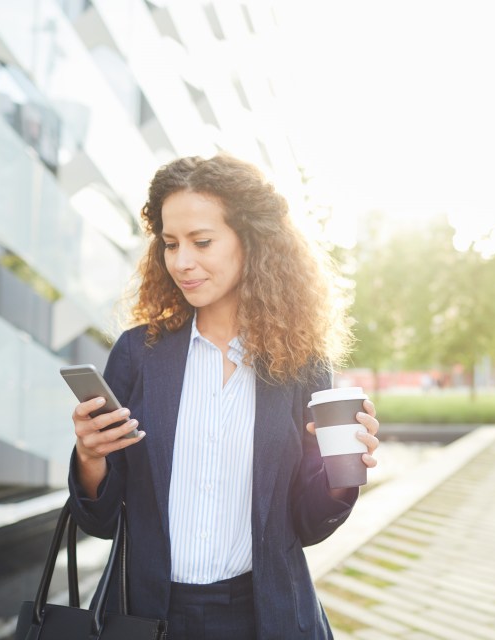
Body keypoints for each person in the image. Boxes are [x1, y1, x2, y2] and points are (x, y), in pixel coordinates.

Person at [67, 153, 380, 639]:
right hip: (145, 616)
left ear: (252, 242)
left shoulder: (302, 364)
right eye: (170, 244)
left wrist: (344, 471)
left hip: (262, 617)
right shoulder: (138, 354)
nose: (182, 262)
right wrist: (91, 456)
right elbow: (102, 521)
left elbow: (308, 523)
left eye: (202, 241)